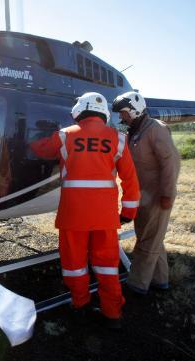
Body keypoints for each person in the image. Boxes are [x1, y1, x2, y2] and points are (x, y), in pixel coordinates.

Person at [30, 92, 140, 329]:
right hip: (105, 216)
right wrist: (128, 211)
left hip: (73, 215)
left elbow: (41, 149)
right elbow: (130, 179)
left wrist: (31, 138)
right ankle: (112, 313)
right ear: (103, 113)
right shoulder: (118, 138)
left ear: (80, 110)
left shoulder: (64, 135)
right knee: (108, 265)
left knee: (75, 264)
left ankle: (80, 304)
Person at [112, 91, 181, 295]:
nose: (121, 117)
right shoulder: (133, 130)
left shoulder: (156, 129)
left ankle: (137, 284)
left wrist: (168, 194)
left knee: (147, 240)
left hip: (157, 195)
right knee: (151, 236)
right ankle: (160, 280)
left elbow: (171, 163)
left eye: (124, 113)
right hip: (142, 195)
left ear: (135, 110)